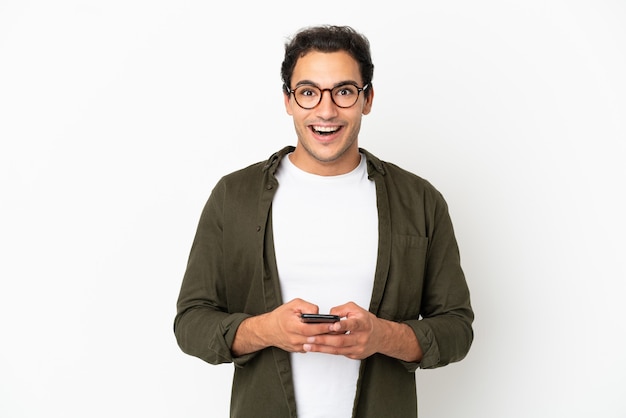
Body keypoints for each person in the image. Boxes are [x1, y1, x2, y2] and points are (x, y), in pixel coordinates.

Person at [174, 25, 474, 418]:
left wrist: (384, 336)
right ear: (288, 100)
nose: (326, 110)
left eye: (345, 91)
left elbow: (457, 329)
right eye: (309, 92)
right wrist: (267, 330)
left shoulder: (419, 200)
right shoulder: (234, 196)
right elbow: (191, 322)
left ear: (367, 100)